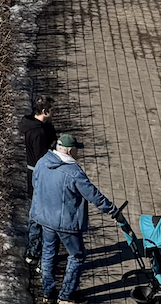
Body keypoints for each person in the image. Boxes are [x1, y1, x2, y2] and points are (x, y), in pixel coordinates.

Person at [30, 133, 119, 303]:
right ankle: (66, 296)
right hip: (66, 223)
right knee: (77, 256)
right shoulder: (73, 172)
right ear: (70, 151)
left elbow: (36, 184)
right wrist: (112, 210)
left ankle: (48, 294)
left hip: (45, 218)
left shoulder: (42, 162)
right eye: (77, 150)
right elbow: (93, 195)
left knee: (48, 254)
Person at [19, 96, 58, 262]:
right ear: (44, 111)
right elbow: (42, 158)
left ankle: (35, 250)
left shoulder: (33, 126)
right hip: (40, 177)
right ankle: (35, 251)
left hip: (33, 174)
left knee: (37, 212)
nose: (55, 113)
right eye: (52, 110)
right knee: (39, 215)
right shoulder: (39, 133)